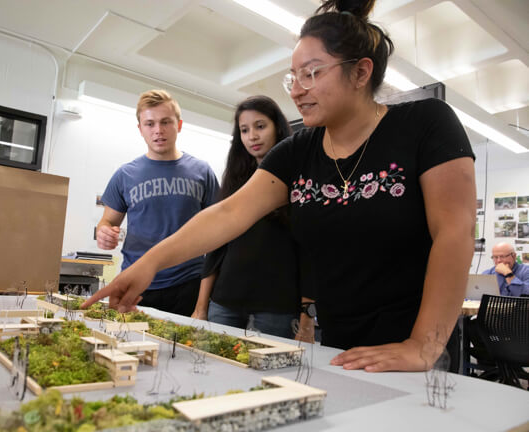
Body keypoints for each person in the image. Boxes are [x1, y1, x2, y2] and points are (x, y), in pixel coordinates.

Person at [82, 0, 476, 372]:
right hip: (338, 345)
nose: (296, 89)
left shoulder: (425, 124)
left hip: (418, 348)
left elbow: (454, 232)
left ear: (360, 72)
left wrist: (424, 345)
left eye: (312, 73)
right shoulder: (297, 151)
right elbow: (229, 213)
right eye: (293, 76)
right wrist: (149, 263)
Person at [93, 89, 219, 316]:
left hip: (188, 284)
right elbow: (107, 222)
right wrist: (104, 234)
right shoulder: (124, 175)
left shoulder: (202, 172)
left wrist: (202, 304)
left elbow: (217, 235)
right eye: (150, 124)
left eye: (165, 122)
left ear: (179, 125)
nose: (158, 131)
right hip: (137, 284)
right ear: (140, 129)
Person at [191, 95, 307, 339]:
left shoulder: (300, 178)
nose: (252, 136)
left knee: (269, 374)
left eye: (260, 126)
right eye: (244, 130)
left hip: (278, 306)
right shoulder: (234, 179)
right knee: (214, 368)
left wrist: (307, 318)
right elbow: (215, 246)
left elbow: (309, 253)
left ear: (277, 127)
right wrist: (201, 306)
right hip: (225, 302)